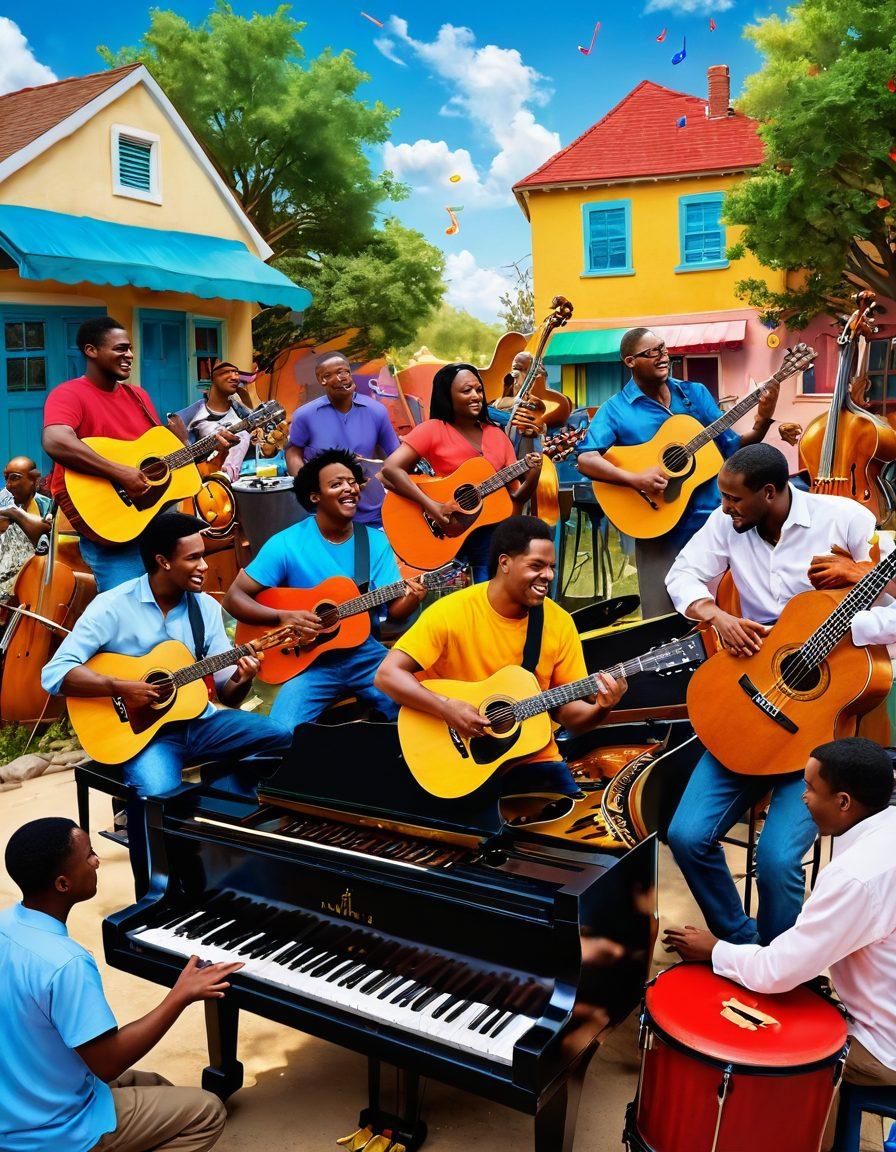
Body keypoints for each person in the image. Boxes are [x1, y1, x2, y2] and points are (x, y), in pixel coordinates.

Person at [664, 443, 891, 945]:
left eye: (733, 500)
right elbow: (682, 573)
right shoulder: (730, 523)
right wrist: (715, 615)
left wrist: (843, 627)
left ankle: (781, 968)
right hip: (749, 694)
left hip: (817, 726)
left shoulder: (846, 519)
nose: (724, 509)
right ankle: (746, 946)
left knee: (776, 859)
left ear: (770, 492)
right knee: (685, 836)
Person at [41, 512, 292, 888]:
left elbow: (228, 693)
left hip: (199, 722)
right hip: (144, 736)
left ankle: (216, 813)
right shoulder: (113, 606)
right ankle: (157, 893)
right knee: (156, 796)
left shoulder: (204, 608)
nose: (204, 566)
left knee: (283, 738)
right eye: (193, 558)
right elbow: (54, 673)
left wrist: (242, 675)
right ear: (162, 562)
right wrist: (119, 687)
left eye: (203, 556)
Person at [664, 738, 896, 1142]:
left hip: (882, 1049)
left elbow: (776, 974)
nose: (800, 798)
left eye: (809, 788)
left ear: (843, 801)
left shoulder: (856, 876)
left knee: (757, 1038)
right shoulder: (880, 827)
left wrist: (715, 948)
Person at [0, 816, 239, 1152]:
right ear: (63, 884)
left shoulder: (5, 925)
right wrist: (179, 996)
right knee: (207, 1111)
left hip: (16, 1109)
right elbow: (108, 1062)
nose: (97, 861)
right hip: (54, 1131)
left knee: (157, 1085)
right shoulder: (65, 963)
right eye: (88, 857)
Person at [374, 515, 625, 798]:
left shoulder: (559, 623)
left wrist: (602, 707)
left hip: (531, 754)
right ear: (504, 563)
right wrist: (447, 708)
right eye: (536, 566)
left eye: (551, 567)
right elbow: (387, 675)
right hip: (455, 755)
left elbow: (566, 713)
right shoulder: (452, 611)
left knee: (571, 821)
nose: (548, 576)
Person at [576, 327, 780, 618]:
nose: (662, 357)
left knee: (727, 612)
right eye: (652, 352)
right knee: (663, 620)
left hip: (711, 520)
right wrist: (636, 479)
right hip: (657, 523)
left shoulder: (694, 394)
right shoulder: (616, 409)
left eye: (663, 348)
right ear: (630, 362)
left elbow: (731, 448)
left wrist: (761, 422)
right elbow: (587, 459)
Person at [223, 448, 426, 728]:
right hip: (307, 663)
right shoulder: (287, 544)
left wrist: (412, 598)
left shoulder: (373, 542)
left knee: (416, 711)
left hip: (365, 655)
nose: (349, 489)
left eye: (352, 482)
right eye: (336, 484)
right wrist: (281, 617)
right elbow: (233, 598)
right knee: (283, 733)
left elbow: (395, 614)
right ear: (314, 496)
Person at [42, 317, 234, 592]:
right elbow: (56, 440)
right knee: (128, 616)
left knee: (170, 607)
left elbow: (159, 463)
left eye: (130, 348)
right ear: (91, 350)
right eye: (120, 348)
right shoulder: (69, 394)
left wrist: (206, 452)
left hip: (156, 524)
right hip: (111, 527)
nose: (129, 355)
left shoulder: (138, 396)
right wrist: (119, 472)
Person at [381, 363, 542, 583]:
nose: (476, 396)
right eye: (466, 391)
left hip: (488, 533)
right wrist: (432, 506)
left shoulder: (496, 435)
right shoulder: (434, 429)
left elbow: (516, 497)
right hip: (447, 529)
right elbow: (390, 469)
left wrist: (534, 472)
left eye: (479, 390)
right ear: (447, 396)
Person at [286, 352, 399, 528]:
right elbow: (293, 451)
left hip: (371, 509)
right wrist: (306, 485)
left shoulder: (376, 411)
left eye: (345, 372)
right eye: (333, 374)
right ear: (322, 380)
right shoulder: (305, 415)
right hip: (326, 510)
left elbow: (397, 455)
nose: (343, 378)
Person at [174, 359, 254, 482]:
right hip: (202, 475)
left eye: (236, 373)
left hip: (233, 480)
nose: (234, 377)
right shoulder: (195, 413)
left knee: (241, 434)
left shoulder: (241, 411)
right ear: (214, 379)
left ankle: (226, 475)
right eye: (227, 372)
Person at [0, 456, 52, 598]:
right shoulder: (3, 501)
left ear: (34, 480)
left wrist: (16, 515)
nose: (9, 485)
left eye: (15, 478)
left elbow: (45, 530)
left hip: (31, 581)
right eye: (7, 479)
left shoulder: (46, 506)